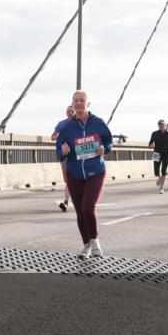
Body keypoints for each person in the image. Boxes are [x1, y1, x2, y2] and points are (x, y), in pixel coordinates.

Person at [56, 90, 113, 260]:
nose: (79, 103)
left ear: (88, 104)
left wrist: (105, 149)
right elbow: (59, 152)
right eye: (76, 100)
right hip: (74, 174)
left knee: (88, 207)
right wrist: (63, 151)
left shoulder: (98, 123)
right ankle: (86, 245)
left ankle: (94, 240)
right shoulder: (67, 128)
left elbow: (108, 142)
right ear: (72, 104)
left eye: (82, 100)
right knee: (80, 212)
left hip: (96, 171)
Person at [51, 105, 76, 212]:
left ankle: (69, 200)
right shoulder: (62, 124)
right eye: (68, 111)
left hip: (77, 155)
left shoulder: (78, 123)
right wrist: (61, 136)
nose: (70, 112)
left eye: (72, 111)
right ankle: (66, 201)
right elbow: (53, 137)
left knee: (77, 178)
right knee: (68, 180)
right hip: (64, 155)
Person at [148, 119, 168, 194]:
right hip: (156, 153)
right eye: (159, 124)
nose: (161, 125)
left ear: (165, 126)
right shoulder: (154, 133)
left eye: (162, 124)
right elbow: (150, 143)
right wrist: (151, 145)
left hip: (166, 153)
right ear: (158, 125)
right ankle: (159, 179)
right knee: (156, 172)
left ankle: (161, 188)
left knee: (163, 170)